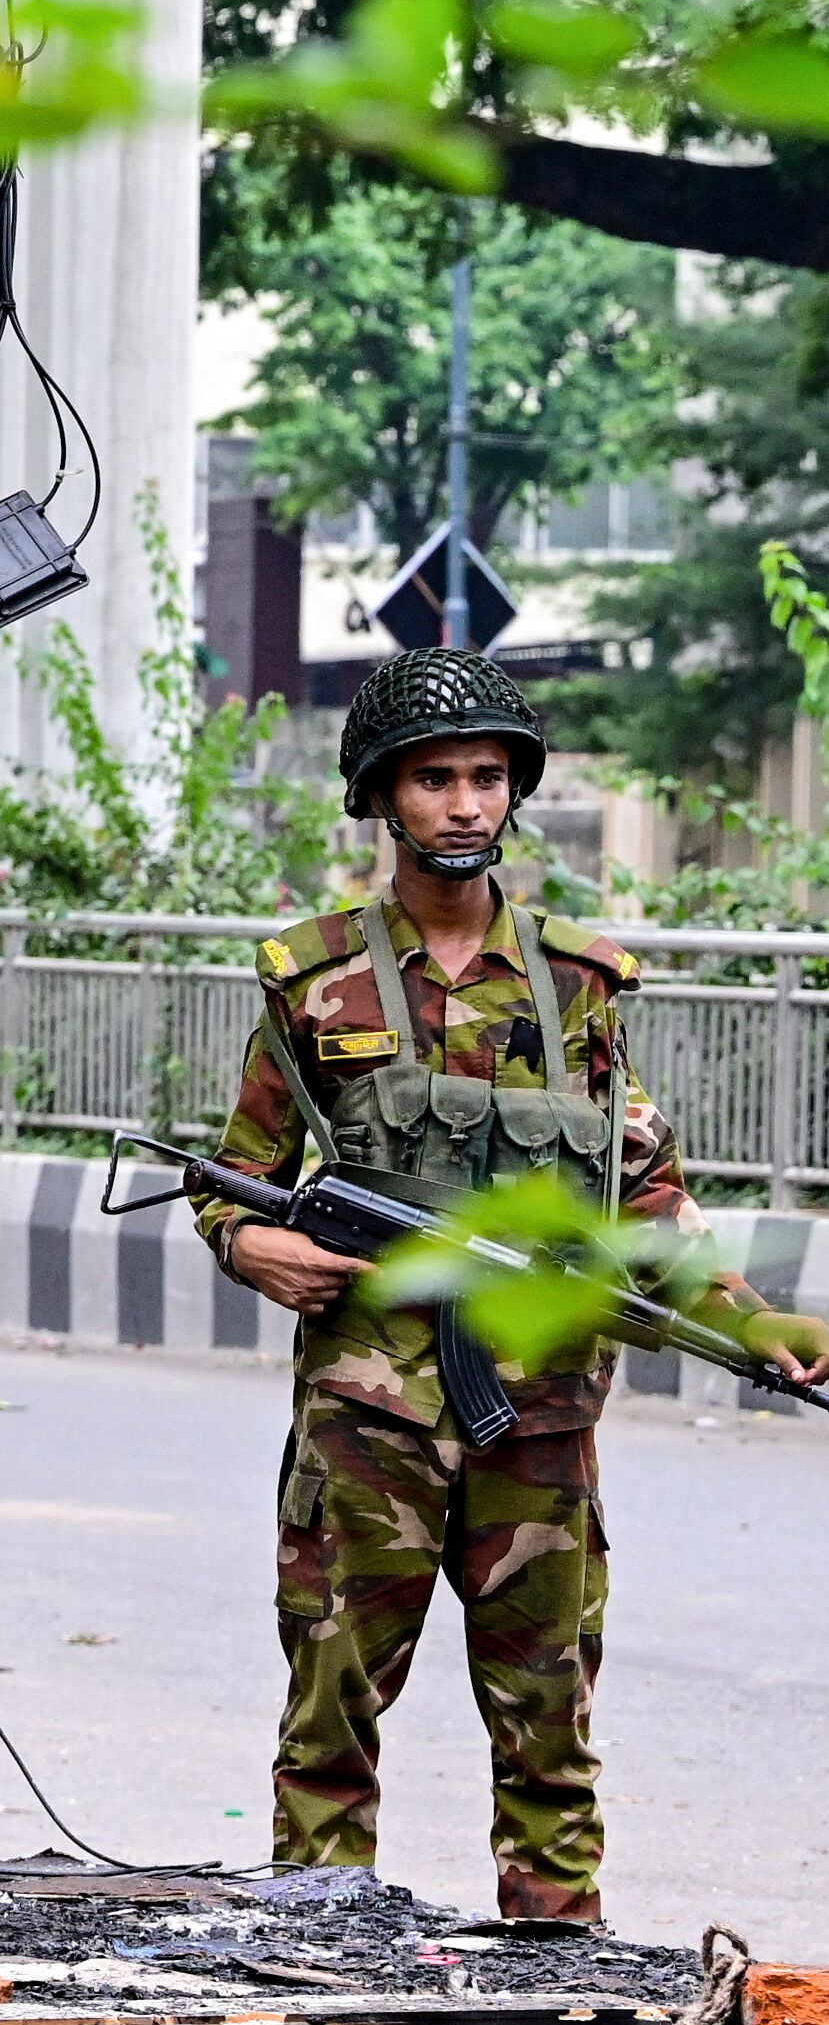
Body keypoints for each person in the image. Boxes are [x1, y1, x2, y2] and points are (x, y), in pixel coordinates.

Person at [199, 649, 829, 1927]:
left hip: (537, 1420)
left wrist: (761, 1327)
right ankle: (320, 1975)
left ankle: (562, 1983)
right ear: (383, 796)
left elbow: (648, 1196)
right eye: (434, 778)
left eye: (487, 775)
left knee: (549, 1726)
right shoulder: (311, 978)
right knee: (329, 1718)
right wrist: (244, 1241)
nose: (465, 803)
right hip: (368, 1420)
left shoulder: (582, 986)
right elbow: (239, 1174)